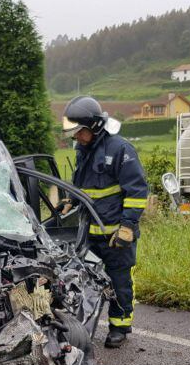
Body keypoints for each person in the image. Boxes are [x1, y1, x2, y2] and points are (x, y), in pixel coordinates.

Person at [62, 96, 149, 348]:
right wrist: (70, 201)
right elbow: (81, 186)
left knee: (118, 281)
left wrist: (127, 227)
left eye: (80, 132)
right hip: (89, 235)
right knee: (85, 280)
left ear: (95, 127)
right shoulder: (83, 151)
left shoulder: (120, 150)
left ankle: (119, 327)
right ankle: (82, 325)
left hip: (116, 235)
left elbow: (137, 192)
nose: (76, 137)